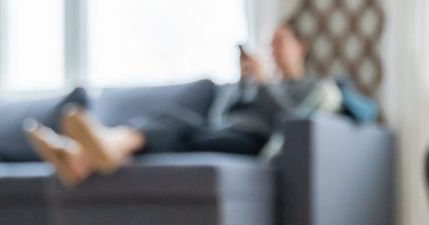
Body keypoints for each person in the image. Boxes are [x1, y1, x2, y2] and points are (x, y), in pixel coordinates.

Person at [25, 23, 341, 187]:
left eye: (280, 42)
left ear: (301, 46)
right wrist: (241, 85)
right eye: (270, 43)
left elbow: (288, 121)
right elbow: (218, 117)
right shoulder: (246, 84)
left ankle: (85, 152)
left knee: (170, 121)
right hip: (217, 133)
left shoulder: (308, 87)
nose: (273, 50)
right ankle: (80, 158)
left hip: (249, 140)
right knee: (171, 130)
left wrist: (263, 84)